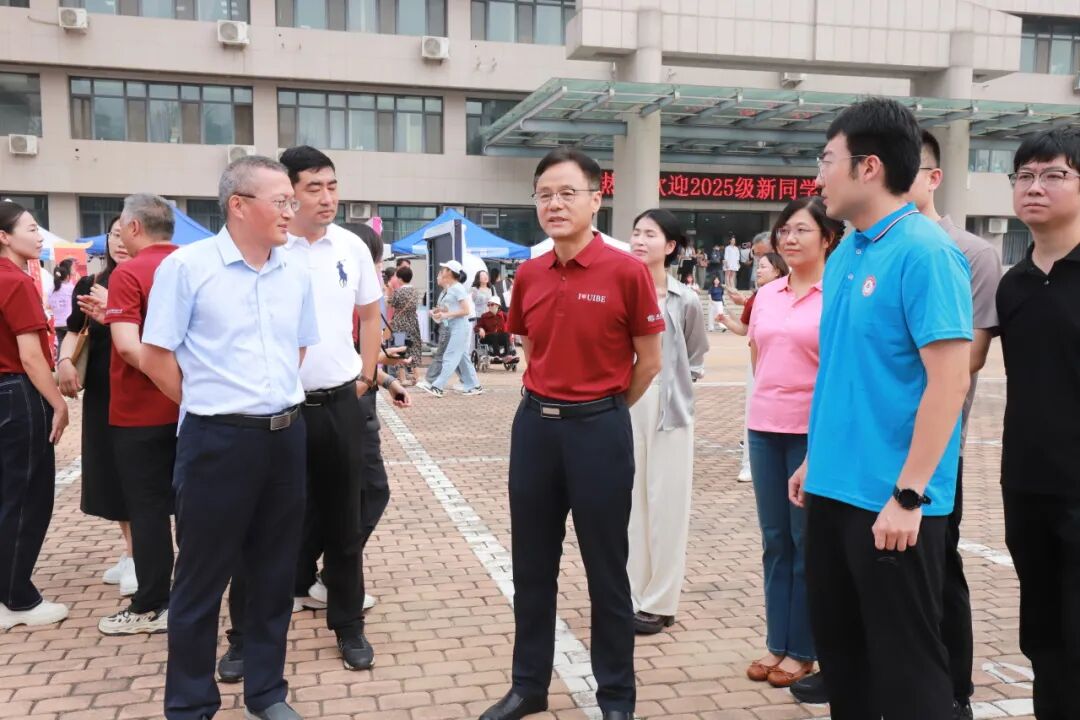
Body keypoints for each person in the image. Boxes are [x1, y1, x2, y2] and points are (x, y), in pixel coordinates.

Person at [787, 97, 972, 720]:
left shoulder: (926, 253)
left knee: (910, 673)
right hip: (832, 491)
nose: (818, 176)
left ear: (868, 167)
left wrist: (910, 494)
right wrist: (814, 459)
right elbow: (844, 371)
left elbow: (949, 381)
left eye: (826, 159)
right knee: (846, 664)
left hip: (893, 505)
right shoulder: (846, 252)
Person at [479, 147, 663, 720]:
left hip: (598, 432)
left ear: (595, 199)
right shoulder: (529, 273)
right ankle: (528, 686)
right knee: (532, 567)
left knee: (606, 570)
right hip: (536, 430)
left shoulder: (626, 271)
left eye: (567, 193)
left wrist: (602, 408)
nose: (554, 204)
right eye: (544, 195)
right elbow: (531, 346)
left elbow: (650, 362)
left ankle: (617, 697)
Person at [142, 156, 319, 720]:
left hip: (285, 438)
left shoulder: (295, 271)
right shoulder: (188, 268)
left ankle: (267, 693)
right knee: (201, 579)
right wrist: (213, 405)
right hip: (217, 442)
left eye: (292, 201)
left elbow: (297, 350)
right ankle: (191, 704)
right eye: (282, 201)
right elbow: (155, 356)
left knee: (274, 575)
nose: (291, 211)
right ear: (238, 205)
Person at [219, 146, 385, 680]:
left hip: (339, 403)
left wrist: (366, 375)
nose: (327, 198)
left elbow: (369, 315)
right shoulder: (268, 246)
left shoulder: (351, 247)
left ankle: (348, 624)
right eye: (314, 188)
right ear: (287, 193)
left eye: (332, 186)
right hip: (275, 409)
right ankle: (244, 639)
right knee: (261, 525)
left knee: (344, 522)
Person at [902, 130, 1003, 719]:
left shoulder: (970, 253)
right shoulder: (861, 248)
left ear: (933, 177)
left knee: (939, 568)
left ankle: (954, 689)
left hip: (938, 448)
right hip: (868, 449)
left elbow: (969, 358)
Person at [996, 127, 1080, 720]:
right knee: (1044, 636)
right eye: (1024, 175)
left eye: (1054, 174)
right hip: (1026, 484)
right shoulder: (1013, 284)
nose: (1035, 187)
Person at [744, 197, 843, 690]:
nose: (789, 238)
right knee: (775, 541)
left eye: (802, 230)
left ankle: (804, 649)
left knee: (808, 542)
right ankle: (777, 641)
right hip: (764, 428)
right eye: (784, 230)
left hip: (812, 433)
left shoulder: (838, 294)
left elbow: (839, 370)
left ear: (828, 238)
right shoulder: (767, 294)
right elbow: (757, 356)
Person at [94, 194, 180, 636]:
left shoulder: (128, 273)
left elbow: (127, 347)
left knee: (148, 511)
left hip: (140, 414)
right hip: (195, 412)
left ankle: (152, 603)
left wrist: (171, 386)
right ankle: (191, 596)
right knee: (194, 508)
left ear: (133, 227)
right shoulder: (192, 266)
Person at [626, 209, 708, 635]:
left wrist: (676, 388)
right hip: (624, 403)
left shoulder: (685, 299)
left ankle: (661, 602)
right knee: (631, 503)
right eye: (636, 233)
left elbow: (695, 356)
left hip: (671, 408)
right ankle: (633, 595)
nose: (640, 241)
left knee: (668, 505)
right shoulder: (620, 290)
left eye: (650, 234)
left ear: (671, 246)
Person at [0, 201, 70, 630]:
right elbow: (30, 356)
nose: (38, 235)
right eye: (29, 228)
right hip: (17, 393)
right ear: (4, 237)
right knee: (27, 497)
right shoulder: (15, 281)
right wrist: (58, 403)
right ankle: (16, 598)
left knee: (8, 496)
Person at [58, 218, 135, 593]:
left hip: (139, 389)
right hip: (102, 392)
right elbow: (73, 329)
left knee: (137, 472)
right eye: (114, 234)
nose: (120, 241)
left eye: (126, 234)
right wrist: (64, 361)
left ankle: (140, 556)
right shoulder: (90, 283)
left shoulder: (150, 281)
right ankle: (131, 551)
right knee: (109, 471)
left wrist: (115, 306)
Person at [419, 260, 483, 398]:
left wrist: (445, 314)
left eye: (445, 268)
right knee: (462, 358)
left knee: (450, 356)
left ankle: (438, 386)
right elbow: (453, 309)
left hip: (459, 327)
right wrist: (439, 311)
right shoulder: (453, 288)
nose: (442, 270)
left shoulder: (457, 288)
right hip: (456, 327)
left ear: (450, 272)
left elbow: (466, 311)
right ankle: (474, 385)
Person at [389, 265, 422, 385]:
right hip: (413, 322)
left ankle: (402, 379)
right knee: (414, 348)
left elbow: (391, 303)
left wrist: (389, 290)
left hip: (399, 324)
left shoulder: (398, 292)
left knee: (399, 349)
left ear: (400, 279)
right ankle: (417, 377)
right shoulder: (415, 291)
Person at [48, 257, 77, 355]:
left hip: (58, 323)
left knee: (61, 345)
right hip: (68, 322)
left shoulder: (52, 289)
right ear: (68, 271)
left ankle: (60, 362)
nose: (75, 269)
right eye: (73, 267)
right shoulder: (71, 288)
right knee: (70, 348)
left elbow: (49, 305)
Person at [477, 296, 515, 363]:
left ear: (498, 305)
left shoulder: (504, 315)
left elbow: (511, 325)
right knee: (494, 335)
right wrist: (480, 329)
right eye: (488, 305)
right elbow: (477, 326)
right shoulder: (484, 316)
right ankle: (496, 355)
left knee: (506, 334)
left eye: (492, 304)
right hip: (487, 337)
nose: (489, 306)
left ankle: (507, 355)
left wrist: (511, 334)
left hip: (500, 337)